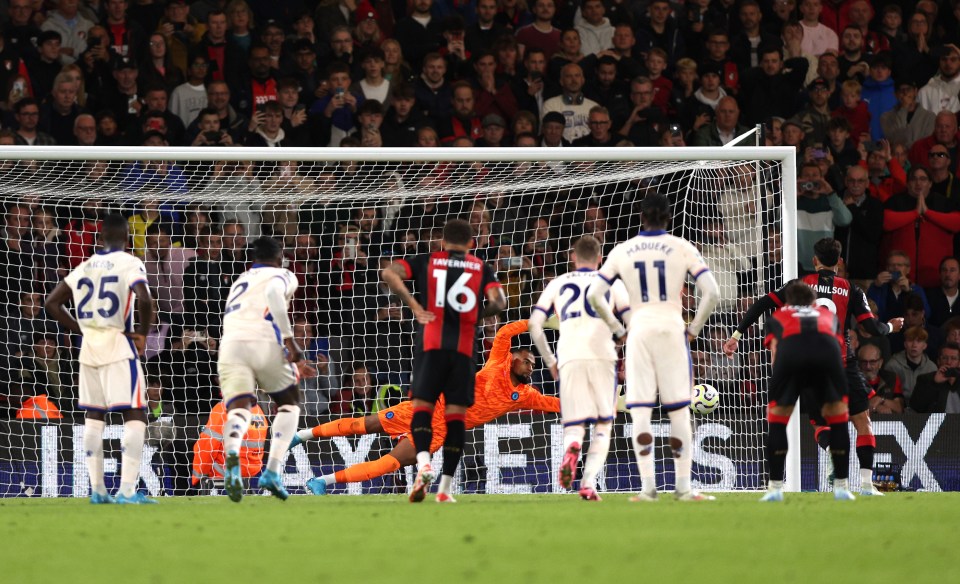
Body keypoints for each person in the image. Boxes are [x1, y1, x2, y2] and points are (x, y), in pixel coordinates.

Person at [724, 238, 903, 496]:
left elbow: (763, 305)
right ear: (840, 262)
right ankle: (865, 485)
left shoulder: (800, 287)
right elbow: (871, 328)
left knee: (814, 424)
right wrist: (891, 327)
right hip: (841, 362)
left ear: (814, 261)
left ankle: (781, 481)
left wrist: (737, 336)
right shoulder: (851, 289)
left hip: (803, 366)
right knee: (862, 421)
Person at [293, 320, 558, 493]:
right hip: (427, 407)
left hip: (440, 430)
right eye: (527, 361)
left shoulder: (526, 395)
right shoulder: (497, 363)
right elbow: (504, 332)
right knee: (362, 425)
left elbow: (555, 404)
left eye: (534, 365)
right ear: (513, 360)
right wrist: (540, 321)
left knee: (387, 464)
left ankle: (322, 482)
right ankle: (301, 435)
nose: (531, 367)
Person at [586, 193, 720, 502]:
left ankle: (648, 488)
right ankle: (684, 488)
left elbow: (595, 295)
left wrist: (619, 329)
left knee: (641, 412)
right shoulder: (682, 247)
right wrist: (693, 330)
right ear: (668, 217)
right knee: (678, 411)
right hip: (673, 328)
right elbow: (711, 292)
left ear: (642, 217)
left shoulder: (623, 250)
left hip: (639, 331)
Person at [380, 219, 506, 503]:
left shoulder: (428, 260)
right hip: (463, 350)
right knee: (455, 418)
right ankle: (445, 488)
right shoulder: (481, 267)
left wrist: (414, 306)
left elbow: (389, 272)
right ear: (471, 244)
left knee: (422, 408)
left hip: (431, 345)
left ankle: (424, 462)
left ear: (442, 242)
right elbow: (500, 302)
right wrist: (476, 317)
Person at [43, 213, 157, 504]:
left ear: (99, 238)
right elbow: (144, 299)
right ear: (127, 239)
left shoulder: (85, 265)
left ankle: (97, 490)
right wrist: (142, 334)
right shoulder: (130, 263)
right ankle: (128, 490)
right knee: (135, 414)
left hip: (89, 348)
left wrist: (80, 328)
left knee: (94, 417)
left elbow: (51, 303)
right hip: (119, 344)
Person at [528, 236, 629, 501]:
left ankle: (572, 446)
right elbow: (631, 322)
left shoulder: (558, 283)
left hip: (569, 357)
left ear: (573, 257)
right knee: (603, 425)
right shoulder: (612, 284)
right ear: (599, 258)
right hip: (603, 357)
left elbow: (534, 324)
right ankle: (588, 481)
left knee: (574, 424)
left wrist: (550, 361)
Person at [216, 236, 316, 503]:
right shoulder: (283, 274)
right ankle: (271, 471)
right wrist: (289, 340)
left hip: (230, 346)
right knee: (289, 403)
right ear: (280, 256)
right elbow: (273, 295)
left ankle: (233, 449)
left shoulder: (240, 281)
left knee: (239, 408)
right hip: (264, 342)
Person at [759, 281, 855, 502]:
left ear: (788, 302)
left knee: (778, 422)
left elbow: (775, 353)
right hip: (827, 358)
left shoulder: (778, 317)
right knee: (838, 421)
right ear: (813, 302)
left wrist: (781, 386)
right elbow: (837, 344)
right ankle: (841, 487)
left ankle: (774, 489)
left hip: (790, 359)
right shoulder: (829, 316)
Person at [910, 342, 960, 413]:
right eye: (944, 358)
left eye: (953, 358)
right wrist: (935, 383)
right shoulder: (925, 379)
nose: (948, 362)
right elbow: (916, 407)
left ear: (959, 362)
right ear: (938, 361)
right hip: (936, 422)